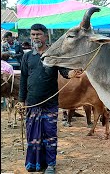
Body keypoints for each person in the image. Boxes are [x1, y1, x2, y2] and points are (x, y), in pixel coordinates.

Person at [18, 24, 82, 173]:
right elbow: (23, 79)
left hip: (50, 103)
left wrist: (72, 73)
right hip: (32, 103)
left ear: (45, 36)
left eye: (38, 34)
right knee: (33, 136)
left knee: (50, 135)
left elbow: (64, 71)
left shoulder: (53, 55)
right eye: (33, 34)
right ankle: (34, 164)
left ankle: (51, 165)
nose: (35, 37)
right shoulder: (27, 56)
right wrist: (21, 101)